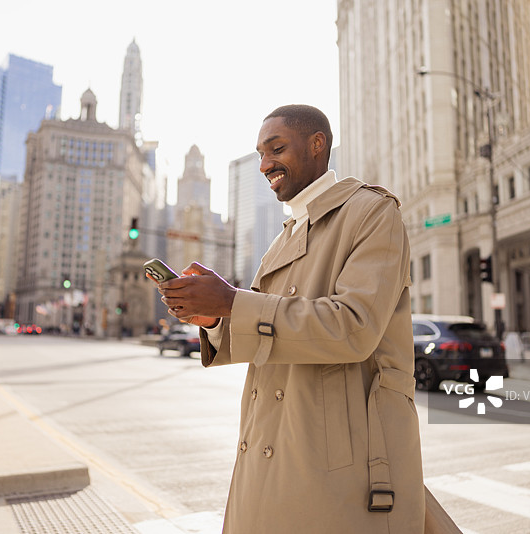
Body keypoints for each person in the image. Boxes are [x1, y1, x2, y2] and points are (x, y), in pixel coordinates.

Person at [154, 105, 425, 533]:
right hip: (269, 452)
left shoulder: (372, 213)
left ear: (317, 144)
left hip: (336, 470)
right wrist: (213, 319)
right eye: (260, 154)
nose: (265, 165)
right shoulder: (282, 240)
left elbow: (353, 328)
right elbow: (266, 337)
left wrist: (232, 302)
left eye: (276, 149)